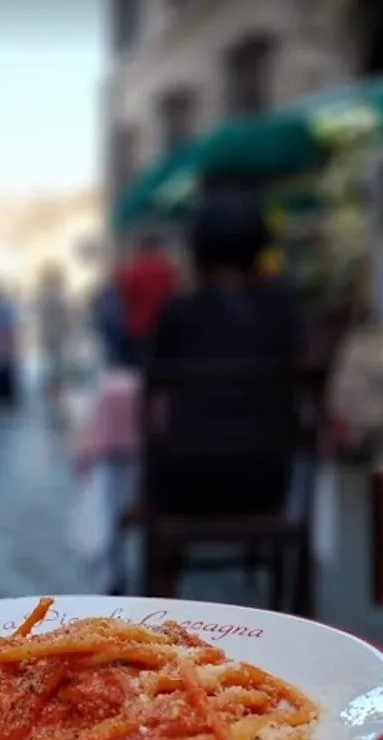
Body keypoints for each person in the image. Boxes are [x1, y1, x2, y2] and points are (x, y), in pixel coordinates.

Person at [146, 192, 303, 516]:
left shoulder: (177, 312)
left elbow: (155, 389)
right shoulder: (281, 308)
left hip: (186, 480)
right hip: (266, 480)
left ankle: (166, 559)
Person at [113, 232, 179, 366]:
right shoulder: (167, 270)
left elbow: (122, 292)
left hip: (138, 327)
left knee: (140, 367)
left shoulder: (132, 270)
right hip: (163, 326)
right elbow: (174, 294)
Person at [35, 264, 71, 414]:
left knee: (52, 365)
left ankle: (52, 392)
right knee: (55, 366)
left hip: (49, 335)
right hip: (56, 336)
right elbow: (64, 318)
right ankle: (54, 393)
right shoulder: (56, 295)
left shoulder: (44, 295)